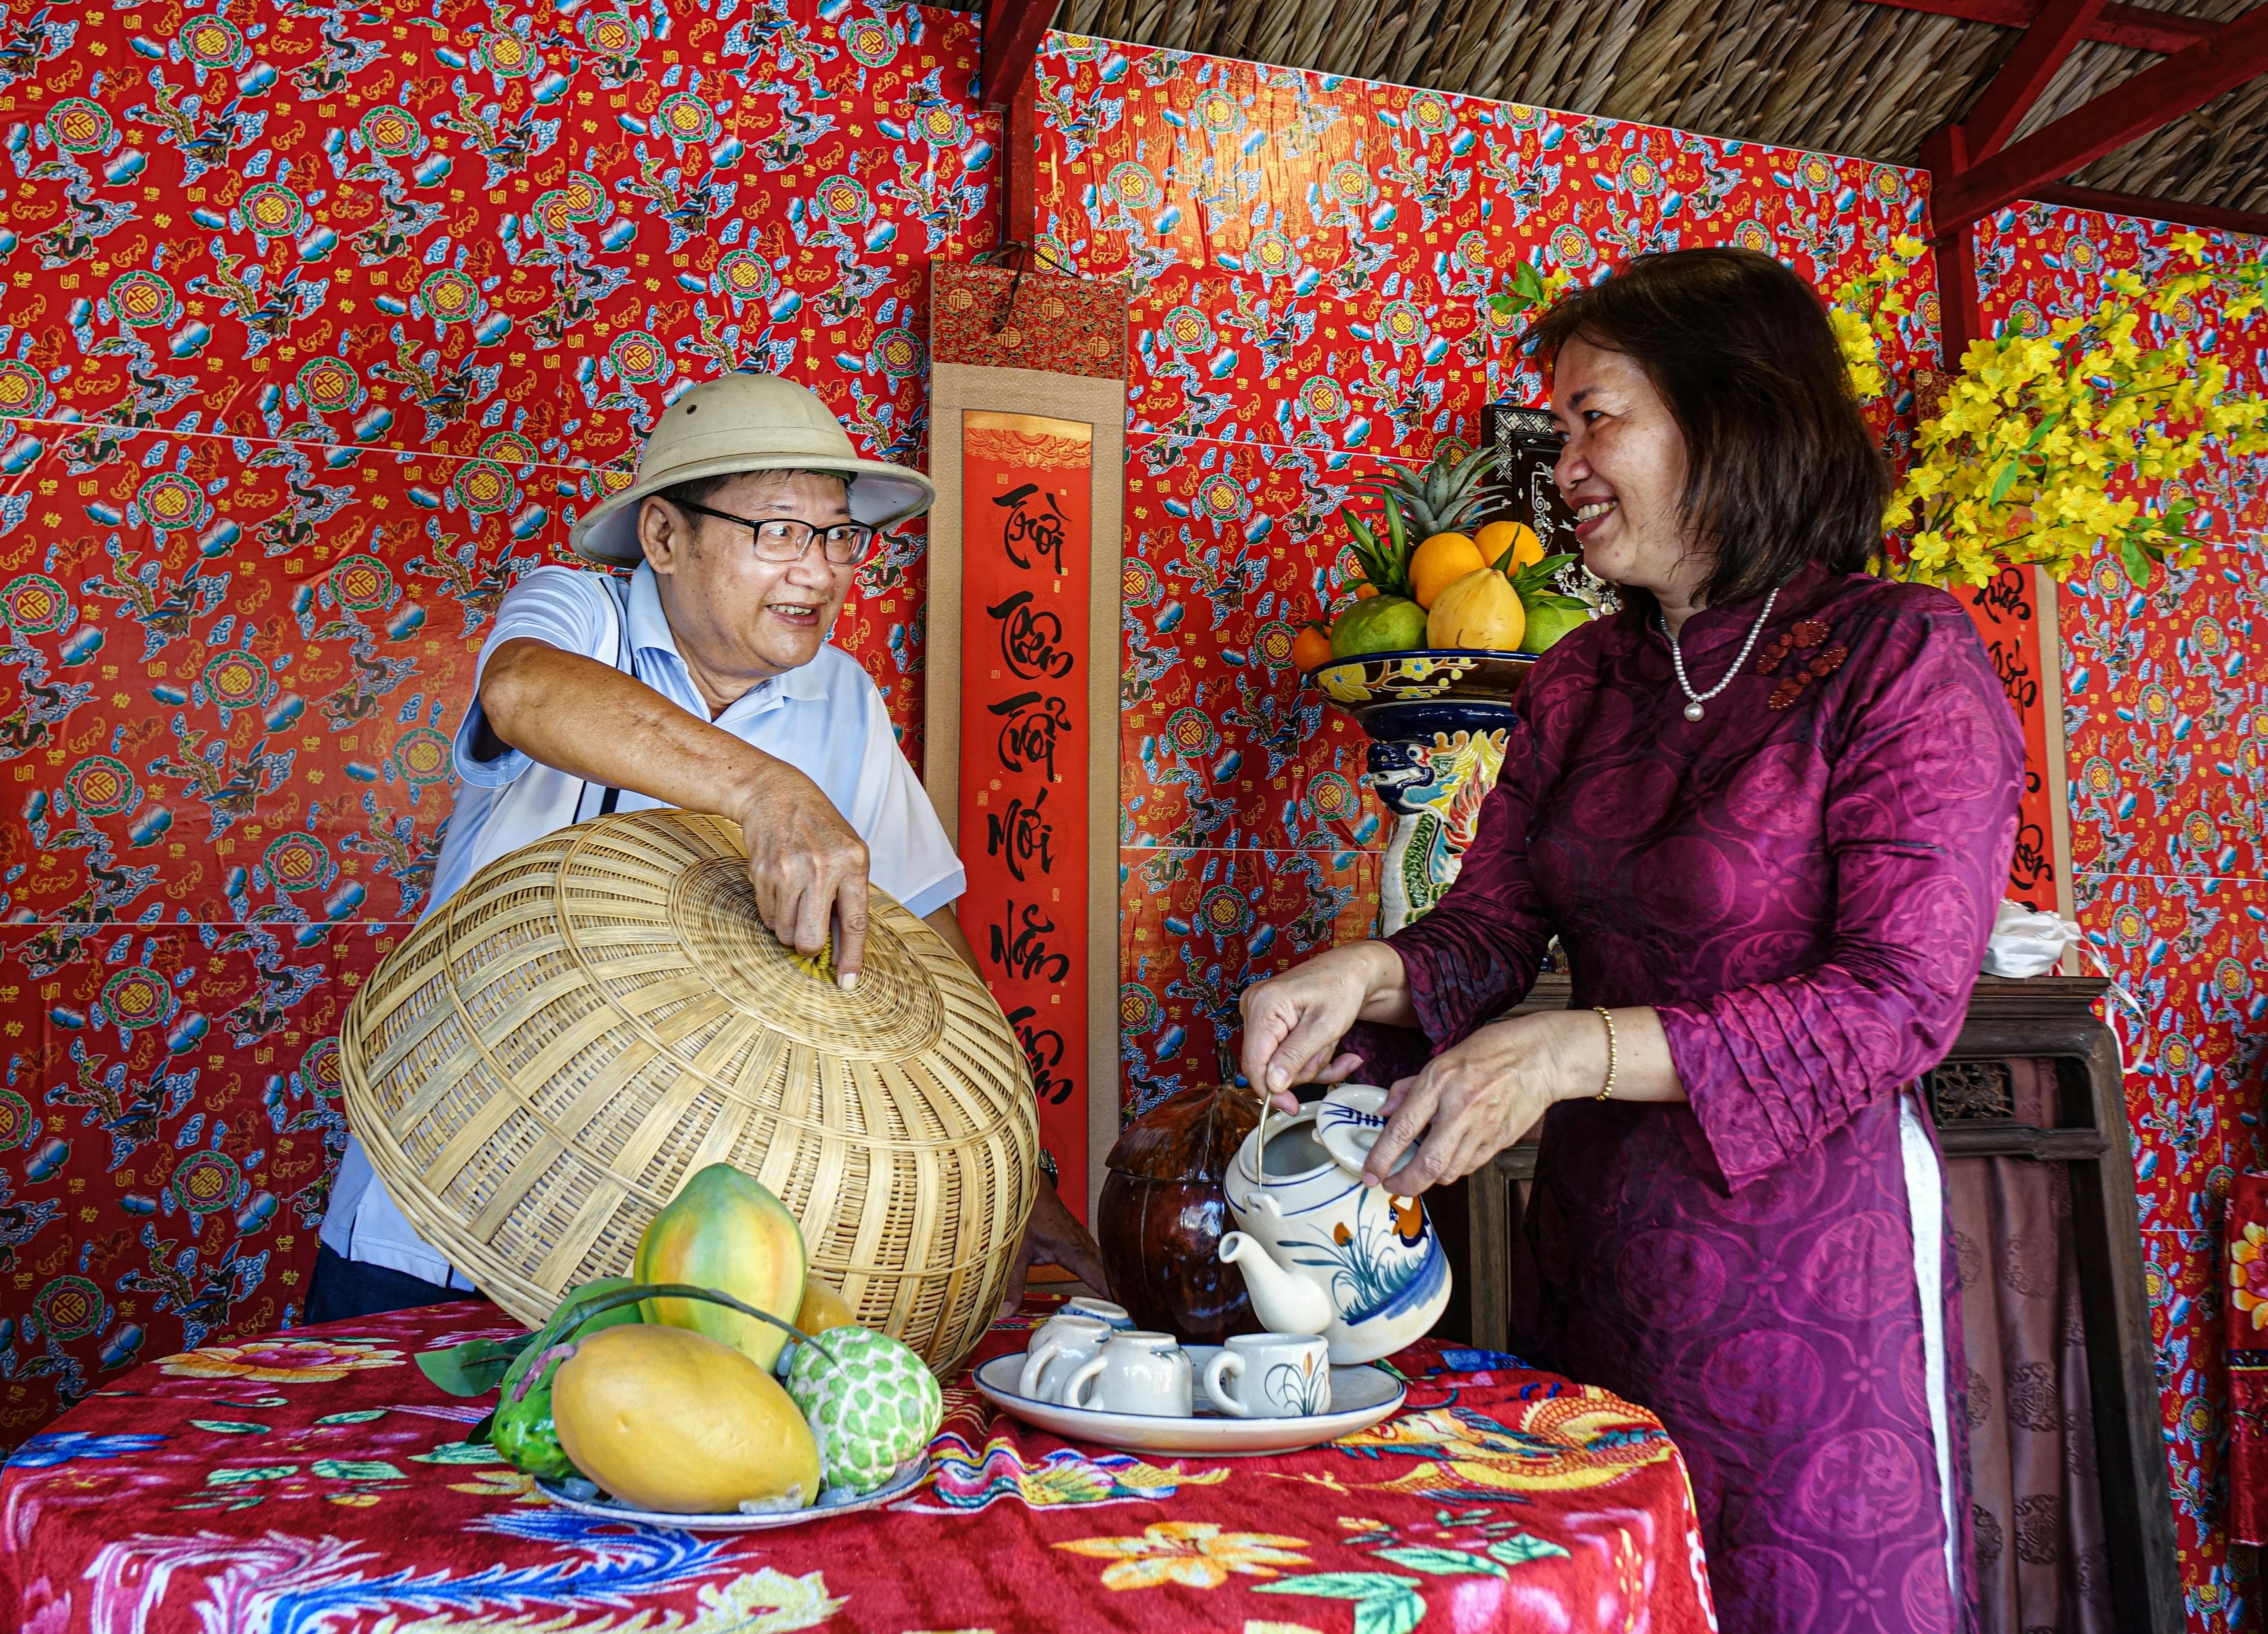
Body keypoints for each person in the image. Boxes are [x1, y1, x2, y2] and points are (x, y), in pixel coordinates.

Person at [1239, 248, 2022, 1634]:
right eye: (1558, 430)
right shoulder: (1581, 683)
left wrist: (1570, 1051)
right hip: (1597, 1264)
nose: (1567, 464)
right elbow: (1485, 931)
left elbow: (1896, 1002)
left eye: (1599, 417)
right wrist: (1362, 974)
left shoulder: (1899, 655)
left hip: (1809, 1283)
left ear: (1731, 415)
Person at [312, 371, 1105, 1321]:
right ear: (664, 537)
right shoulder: (581, 617)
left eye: (841, 536)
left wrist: (1015, 1175)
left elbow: (931, 953)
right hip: (446, 1203)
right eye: (777, 531)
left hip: (663, 1250)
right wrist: (766, 789)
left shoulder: (841, 698)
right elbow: (521, 694)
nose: (818, 571)